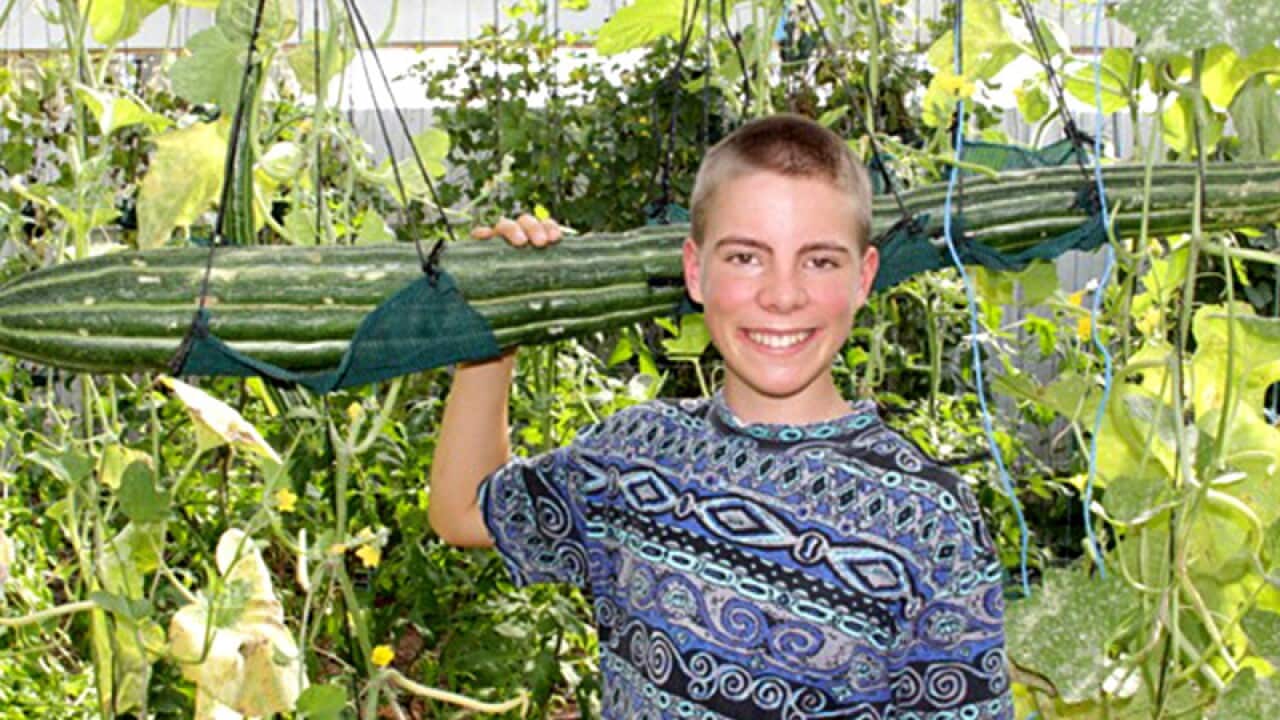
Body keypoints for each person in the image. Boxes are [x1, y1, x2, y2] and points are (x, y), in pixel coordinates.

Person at [429, 114, 1012, 719]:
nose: (782, 295)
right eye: (745, 258)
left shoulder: (928, 520)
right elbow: (461, 511)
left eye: (819, 261)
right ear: (694, 270)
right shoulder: (635, 454)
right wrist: (492, 325)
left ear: (863, 277)